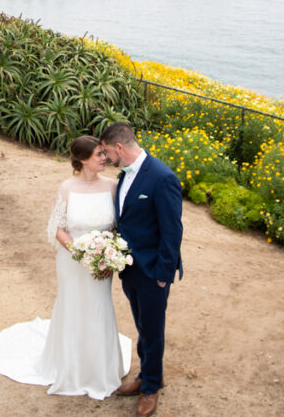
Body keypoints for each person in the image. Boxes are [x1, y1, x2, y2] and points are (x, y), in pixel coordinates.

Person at [0, 135, 131, 400]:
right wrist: (81, 254)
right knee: (73, 306)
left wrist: (107, 255)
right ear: (83, 160)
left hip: (102, 263)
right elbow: (58, 230)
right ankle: (70, 367)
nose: (104, 158)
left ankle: (100, 368)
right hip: (73, 262)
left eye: (104, 153)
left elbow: (118, 227)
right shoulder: (66, 188)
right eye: (98, 154)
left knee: (99, 307)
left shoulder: (112, 186)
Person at [101, 122, 183, 417]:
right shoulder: (125, 176)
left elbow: (172, 231)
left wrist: (163, 275)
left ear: (120, 148)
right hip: (130, 268)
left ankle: (150, 387)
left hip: (152, 272)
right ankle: (148, 375)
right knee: (142, 326)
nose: (107, 158)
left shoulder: (162, 177)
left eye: (108, 152)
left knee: (153, 329)